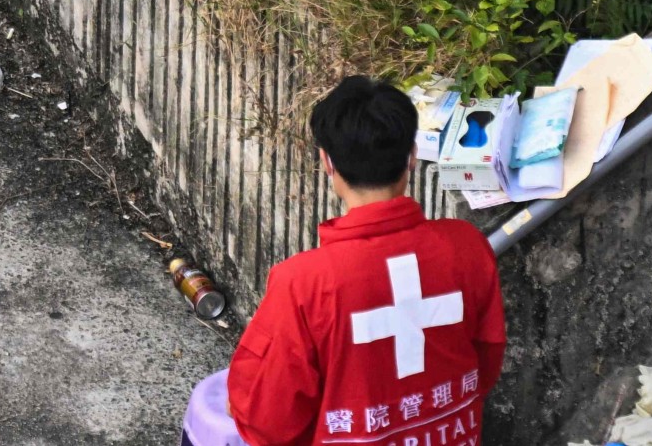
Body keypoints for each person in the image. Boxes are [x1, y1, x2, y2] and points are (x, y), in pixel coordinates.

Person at [186, 77, 507, 446]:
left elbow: (267, 418)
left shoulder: (304, 283)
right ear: (412, 155)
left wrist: (240, 406)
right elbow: (487, 360)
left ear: (327, 162)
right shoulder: (467, 247)